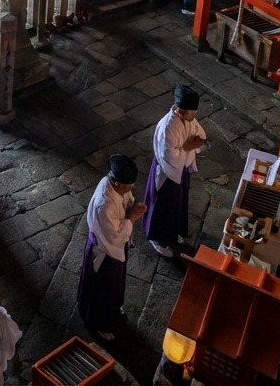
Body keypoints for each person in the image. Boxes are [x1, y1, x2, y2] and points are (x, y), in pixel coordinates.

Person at [76, 154, 146, 340]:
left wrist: (132, 208)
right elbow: (114, 236)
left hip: (114, 247)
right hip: (104, 249)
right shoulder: (105, 203)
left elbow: (127, 200)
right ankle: (99, 323)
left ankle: (114, 308)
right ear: (116, 184)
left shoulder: (115, 186)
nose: (130, 190)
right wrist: (132, 217)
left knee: (114, 283)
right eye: (128, 187)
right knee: (103, 288)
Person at [141, 85, 206, 257]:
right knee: (163, 206)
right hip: (167, 172)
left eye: (195, 112)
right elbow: (170, 156)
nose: (194, 116)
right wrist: (188, 146)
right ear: (180, 111)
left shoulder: (188, 120)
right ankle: (157, 239)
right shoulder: (167, 127)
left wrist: (192, 144)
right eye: (191, 113)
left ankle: (174, 232)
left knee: (178, 203)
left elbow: (199, 133)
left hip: (180, 170)